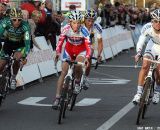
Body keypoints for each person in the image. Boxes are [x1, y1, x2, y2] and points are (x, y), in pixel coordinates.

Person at [52, 10, 91, 109]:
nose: (76, 25)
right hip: (69, 50)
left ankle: (77, 81)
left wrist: (87, 58)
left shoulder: (84, 31)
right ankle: (57, 98)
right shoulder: (65, 29)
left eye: (78, 23)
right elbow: (60, 43)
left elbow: (88, 47)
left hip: (80, 51)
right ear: (70, 22)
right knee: (64, 72)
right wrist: (57, 53)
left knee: (78, 65)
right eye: (74, 22)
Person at [132, 9, 160, 104]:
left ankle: (157, 91)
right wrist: (139, 53)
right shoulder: (147, 27)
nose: (158, 24)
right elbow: (141, 41)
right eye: (156, 21)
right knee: (145, 65)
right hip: (152, 45)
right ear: (152, 21)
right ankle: (139, 93)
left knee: (159, 70)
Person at [0, 8, 31, 90]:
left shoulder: (26, 26)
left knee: (16, 59)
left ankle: (13, 77)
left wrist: (25, 56)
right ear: (10, 19)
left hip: (20, 44)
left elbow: (27, 43)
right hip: (9, 43)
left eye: (19, 20)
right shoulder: (5, 22)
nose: (17, 22)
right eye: (14, 20)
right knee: (1, 64)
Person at [83, 9, 103, 89]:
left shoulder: (97, 27)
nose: (90, 23)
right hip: (80, 40)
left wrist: (99, 54)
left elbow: (100, 42)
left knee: (89, 56)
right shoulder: (80, 24)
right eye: (88, 20)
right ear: (84, 19)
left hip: (91, 42)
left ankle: (85, 77)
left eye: (92, 21)